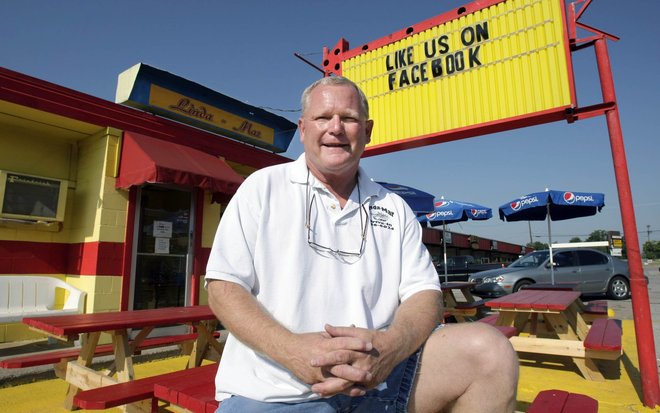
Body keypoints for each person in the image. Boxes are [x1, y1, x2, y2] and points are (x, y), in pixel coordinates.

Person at [205, 76, 519, 412]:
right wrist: (292, 351)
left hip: (380, 380)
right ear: (303, 129)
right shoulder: (263, 188)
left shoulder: (394, 207)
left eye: (349, 118)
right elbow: (224, 287)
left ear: (367, 131)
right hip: (274, 390)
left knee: (490, 351)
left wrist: (390, 347)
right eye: (323, 117)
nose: (336, 128)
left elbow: (424, 294)